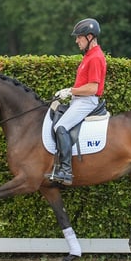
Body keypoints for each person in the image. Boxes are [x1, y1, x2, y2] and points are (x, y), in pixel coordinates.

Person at [45, 18, 107, 185]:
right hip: (79, 100)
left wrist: (70, 91)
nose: (76, 40)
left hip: (86, 101)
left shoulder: (95, 57)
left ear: (89, 37)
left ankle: (65, 171)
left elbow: (93, 88)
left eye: (79, 37)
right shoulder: (88, 56)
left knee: (61, 126)